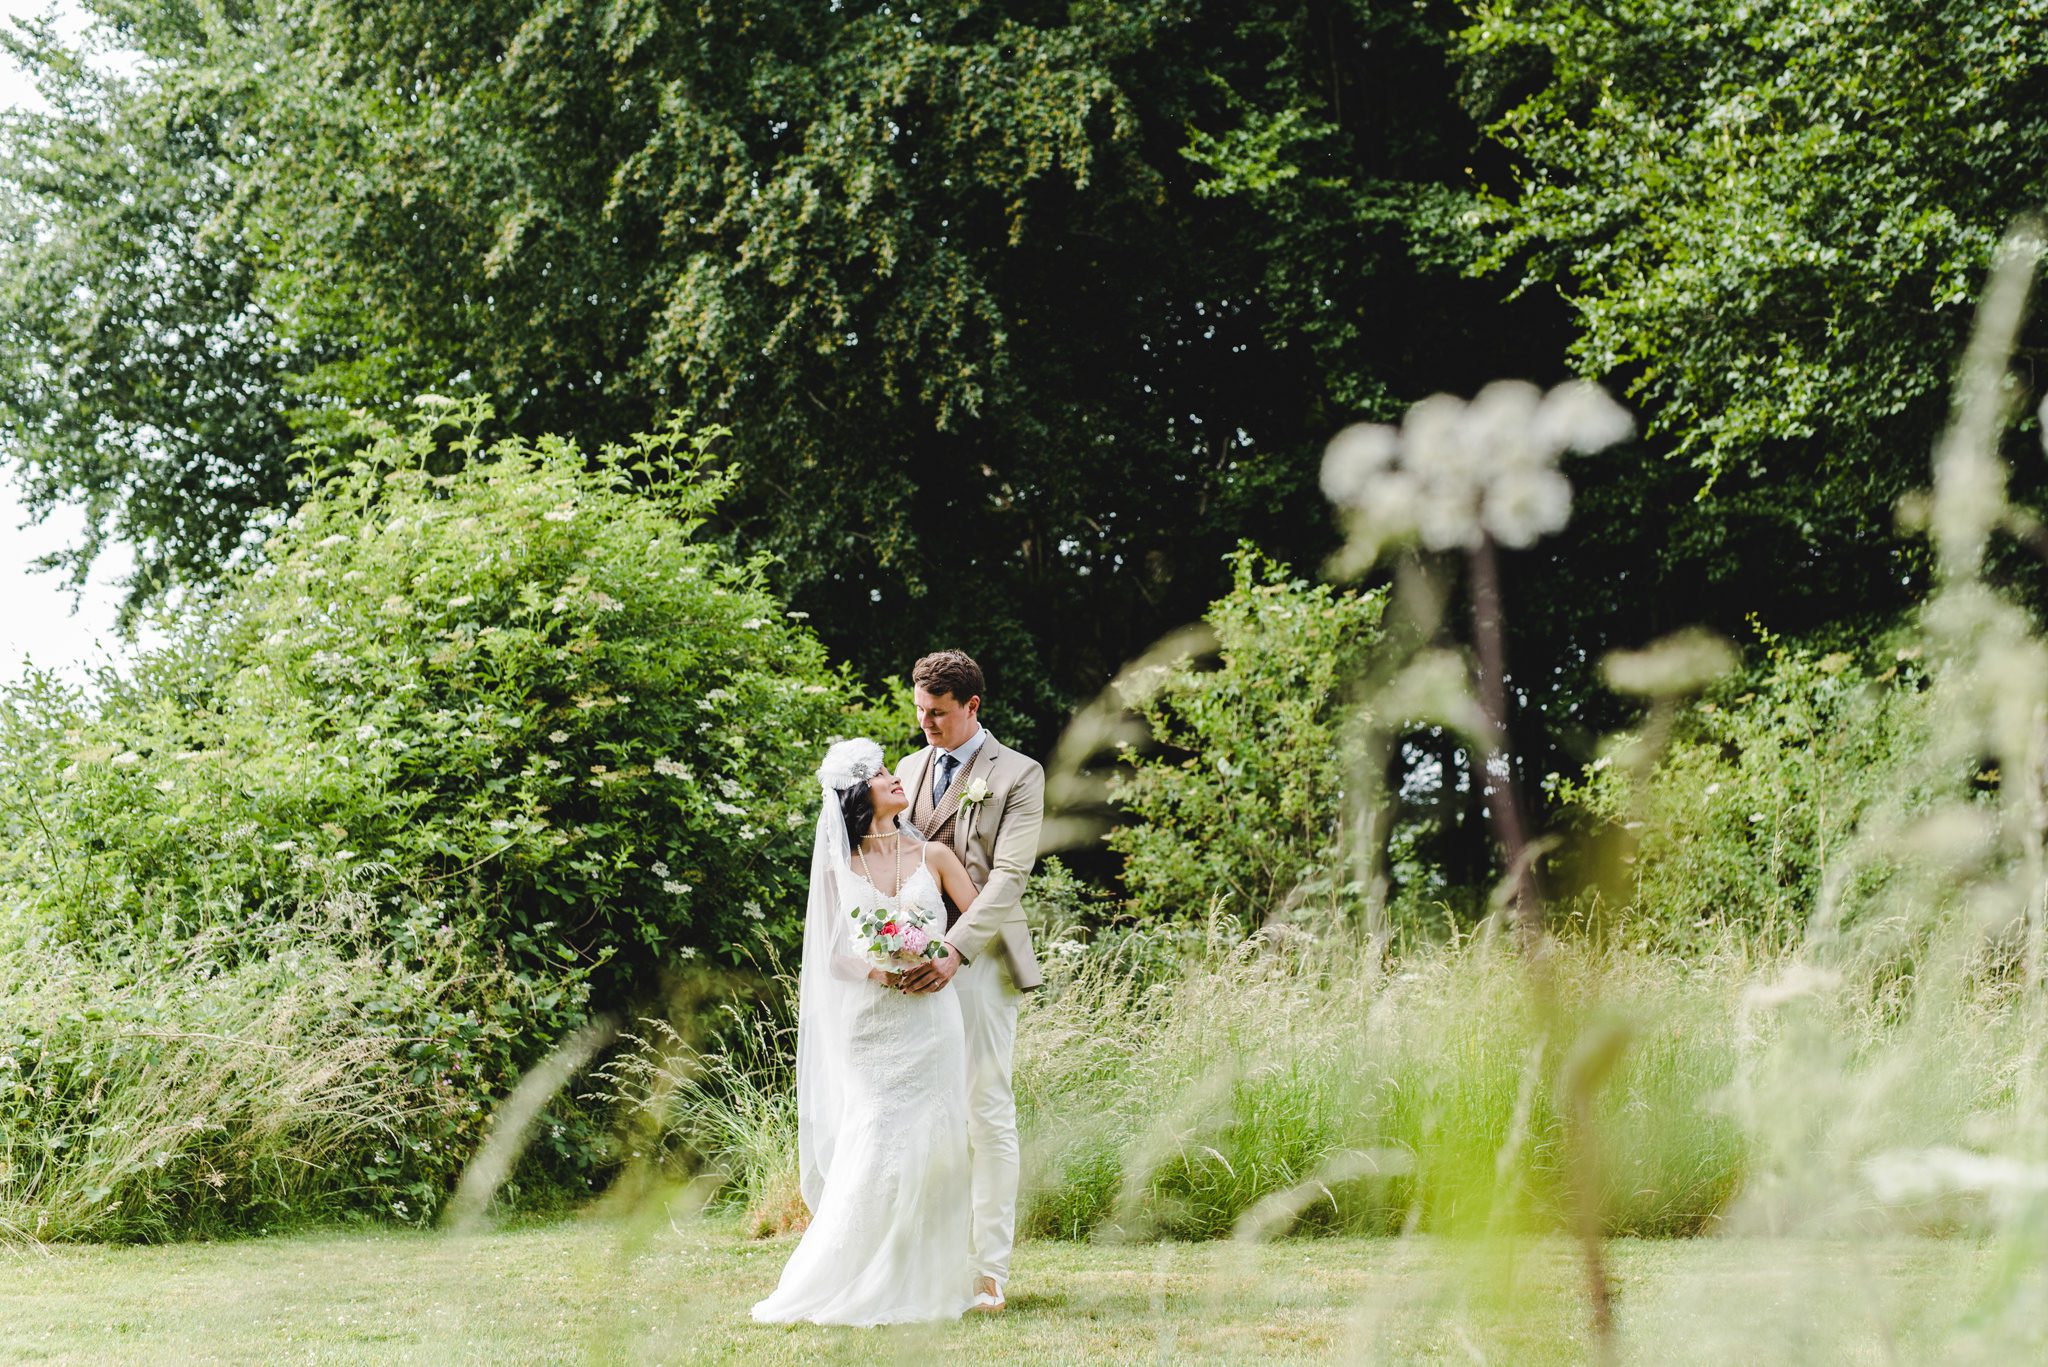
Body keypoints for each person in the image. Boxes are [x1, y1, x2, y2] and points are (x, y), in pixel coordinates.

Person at [750, 737, 986, 1326]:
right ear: (859, 794)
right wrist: (880, 966)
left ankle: (925, 1276)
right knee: (876, 1132)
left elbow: (977, 913)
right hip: (871, 1023)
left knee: (933, 1133)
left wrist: (944, 952)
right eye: (881, 773)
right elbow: (832, 952)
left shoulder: (932, 855)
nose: (894, 776)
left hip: (932, 1016)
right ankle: (848, 1272)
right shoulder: (838, 867)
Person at [892, 650, 1044, 1313]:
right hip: (913, 965)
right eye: (920, 710)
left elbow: (1010, 877)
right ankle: (930, 1262)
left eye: (939, 712)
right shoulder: (905, 769)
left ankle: (989, 1272)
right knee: (925, 1114)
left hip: (980, 962)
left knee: (985, 1109)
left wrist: (954, 947)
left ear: (972, 706)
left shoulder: (1018, 773)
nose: (926, 722)